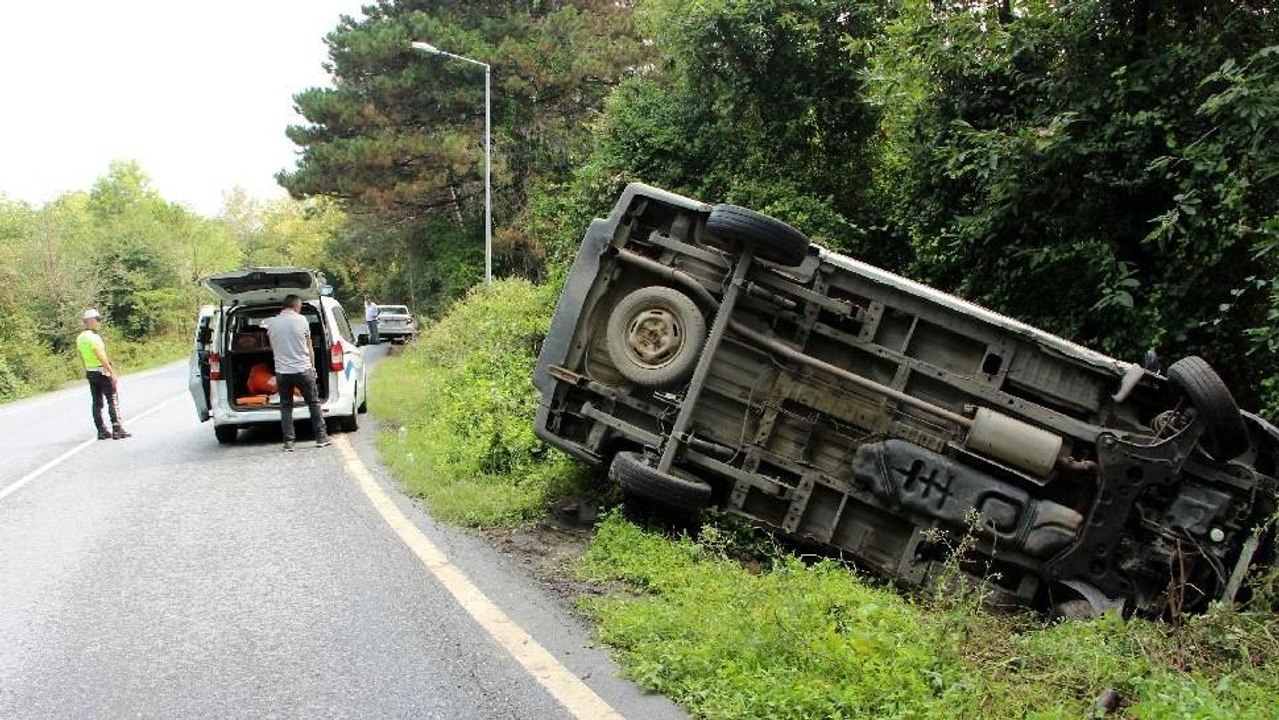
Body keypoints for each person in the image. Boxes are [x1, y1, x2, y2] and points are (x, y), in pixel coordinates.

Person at [265, 294, 331, 451]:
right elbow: (309, 347)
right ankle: (321, 438)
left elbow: (274, 348)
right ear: (296, 306)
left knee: (286, 406)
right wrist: (313, 368)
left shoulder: (272, 323)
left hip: (282, 372)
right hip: (302, 369)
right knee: (313, 403)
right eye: (300, 307)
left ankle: (289, 442)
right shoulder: (302, 320)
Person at [76, 309, 131, 440]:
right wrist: (112, 372)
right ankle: (117, 429)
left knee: (96, 402)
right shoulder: (94, 337)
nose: (99, 322)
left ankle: (101, 430)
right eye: (98, 319)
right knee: (112, 399)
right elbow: (100, 355)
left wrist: (87, 369)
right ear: (90, 321)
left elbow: (81, 356)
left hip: (91, 372)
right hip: (102, 371)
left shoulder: (80, 338)